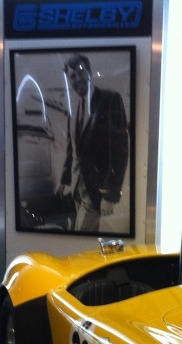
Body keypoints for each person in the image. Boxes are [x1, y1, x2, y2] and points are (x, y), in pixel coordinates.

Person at [57, 53, 129, 232]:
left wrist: (110, 195)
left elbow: (120, 151)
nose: (76, 79)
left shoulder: (110, 99)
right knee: (82, 237)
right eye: (72, 76)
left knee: (81, 238)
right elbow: (71, 148)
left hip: (96, 189)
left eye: (80, 72)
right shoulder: (74, 107)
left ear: (89, 72)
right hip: (77, 188)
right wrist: (64, 181)